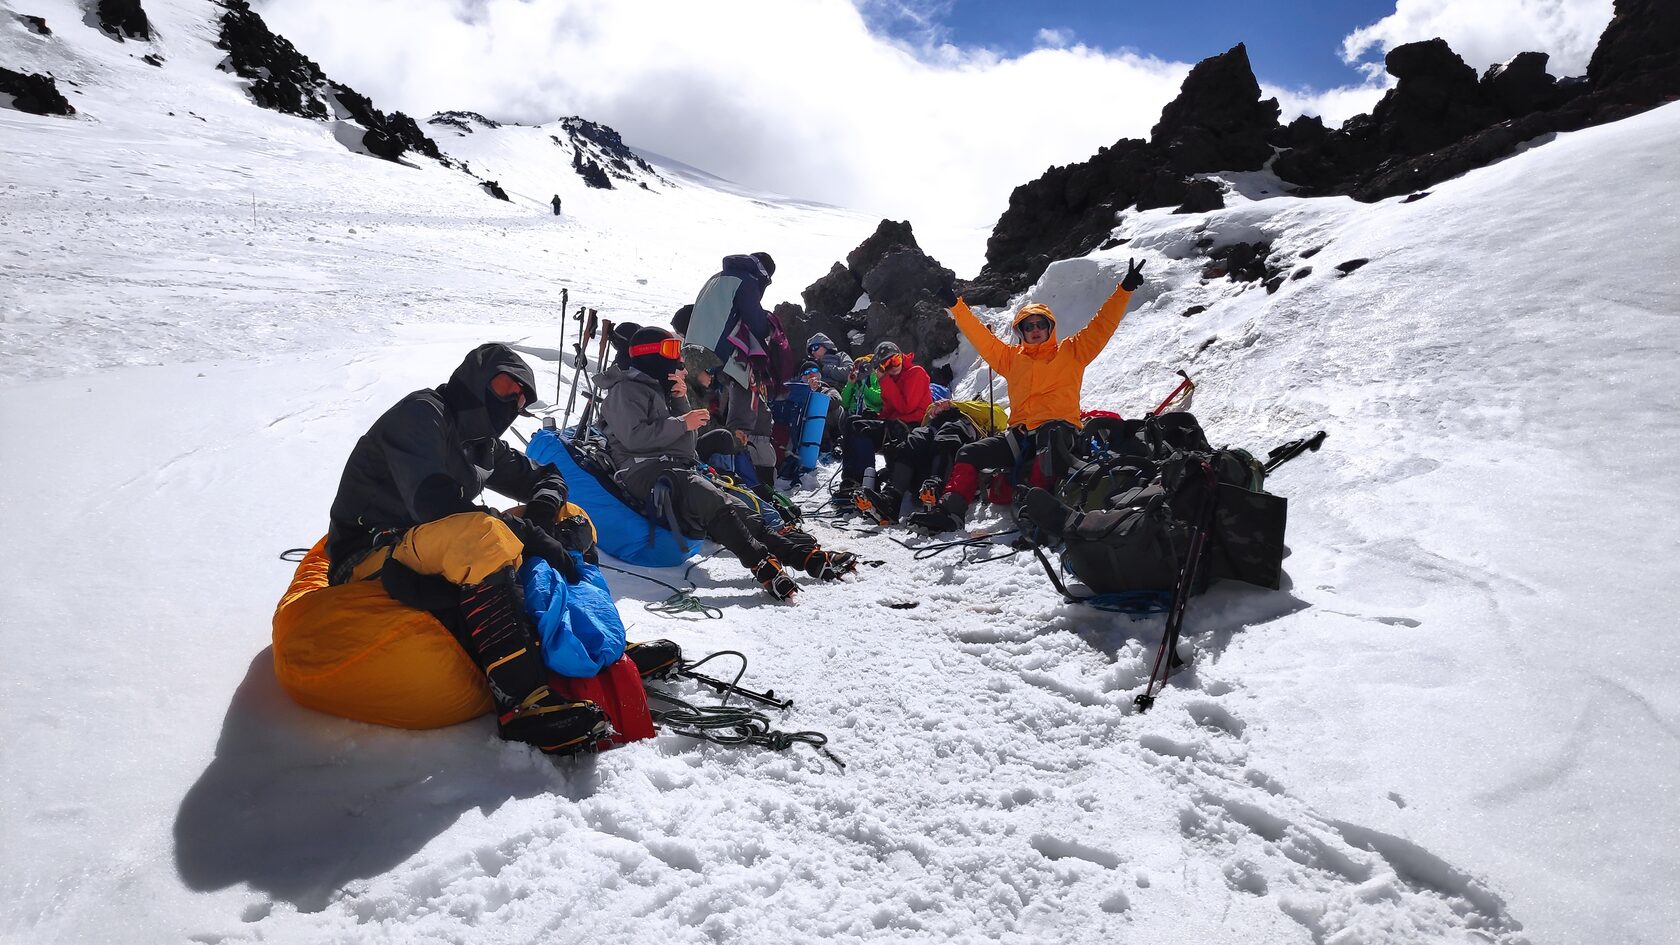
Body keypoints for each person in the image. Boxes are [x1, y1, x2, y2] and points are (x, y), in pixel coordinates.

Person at [325, 343, 609, 755]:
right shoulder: (423, 413)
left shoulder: (482, 444)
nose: (512, 401)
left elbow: (546, 476)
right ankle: (522, 703)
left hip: (432, 546)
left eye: (521, 399)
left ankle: (588, 637)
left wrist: (544, 514)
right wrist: (523, 532)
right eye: (504, 386)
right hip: (371, 554)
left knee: (572, 516)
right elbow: (435, 505)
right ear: (475, 379)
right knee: (483, 533)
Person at [598, 326, 858, 600]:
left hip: (675, 470)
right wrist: (681, 421)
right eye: (670, 350)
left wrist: (679, 402)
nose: (676, 359)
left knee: (740, 510)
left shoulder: (662, 389)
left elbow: (686, 449)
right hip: (643, 471)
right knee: (711, 498)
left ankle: (806, 558)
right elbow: (634, 437)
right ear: (648, 354)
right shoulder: (624, 391)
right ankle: (759, 561)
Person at [908, 259, 1148, 533]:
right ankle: (950, 511)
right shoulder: (1011, 359)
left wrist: (1124, 291)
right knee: (969, 451)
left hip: (1060, 434)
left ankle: (1037, 510)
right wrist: (955, 305)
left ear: (1049, 327)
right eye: (1028, 326)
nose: (1035, 330)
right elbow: (980, 337)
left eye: (1040, 324)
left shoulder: (1073, 351)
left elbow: (1102, 325)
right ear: (1021, 331)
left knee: (1050, 435)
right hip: (1021, 435)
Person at [865, 397, 1008, 524]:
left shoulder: (978, 410)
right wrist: (935, 410)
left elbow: (1000, 417)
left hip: (957, 438)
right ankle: (891, 498)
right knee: (915, 438)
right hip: (934, 439)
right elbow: (926, 419)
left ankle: (936, 486)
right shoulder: (945, 407)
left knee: (950, 431)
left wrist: (955, 405)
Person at [838, 341, 932, 516]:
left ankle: (865, 482)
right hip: (897, 423)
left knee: (859, 426)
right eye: (886, 365)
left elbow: (906, 407)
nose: (893, 367)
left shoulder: (916, 373)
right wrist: (878, 417)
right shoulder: (891, 380)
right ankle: (852, 480)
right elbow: (889, 409)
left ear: (901, 356)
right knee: (853, 423)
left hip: (911, 426)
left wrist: (884, 380)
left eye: (895, 360)